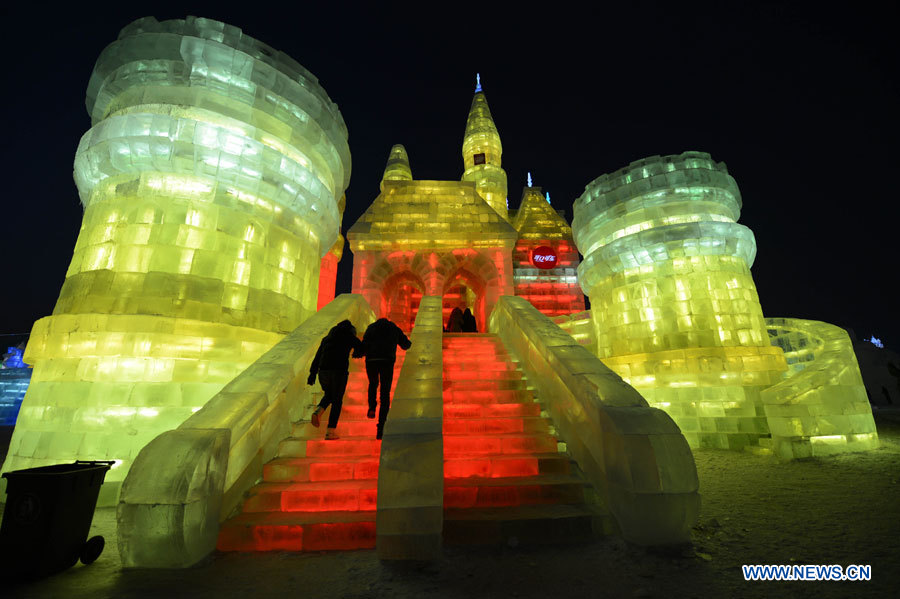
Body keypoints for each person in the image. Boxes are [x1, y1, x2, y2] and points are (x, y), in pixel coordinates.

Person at [307, 320, 363, 439]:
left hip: (323, 372)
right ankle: (330, 431)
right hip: (339, 371)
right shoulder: (348, 335)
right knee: (337, 400)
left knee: (329, 394)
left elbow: (317, 357)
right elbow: (361, 347)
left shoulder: (326, 339)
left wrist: (312, 374)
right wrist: (357, 353)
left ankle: (319, 410)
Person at [361, 318, 412, 440]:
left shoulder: (371, 328)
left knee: (373, 383)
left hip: (371, 360)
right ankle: (381, 428)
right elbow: (406, 344)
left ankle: (372, 407)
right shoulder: (393, 328)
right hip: (387, 361)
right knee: (385, 393)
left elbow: (364, 344)